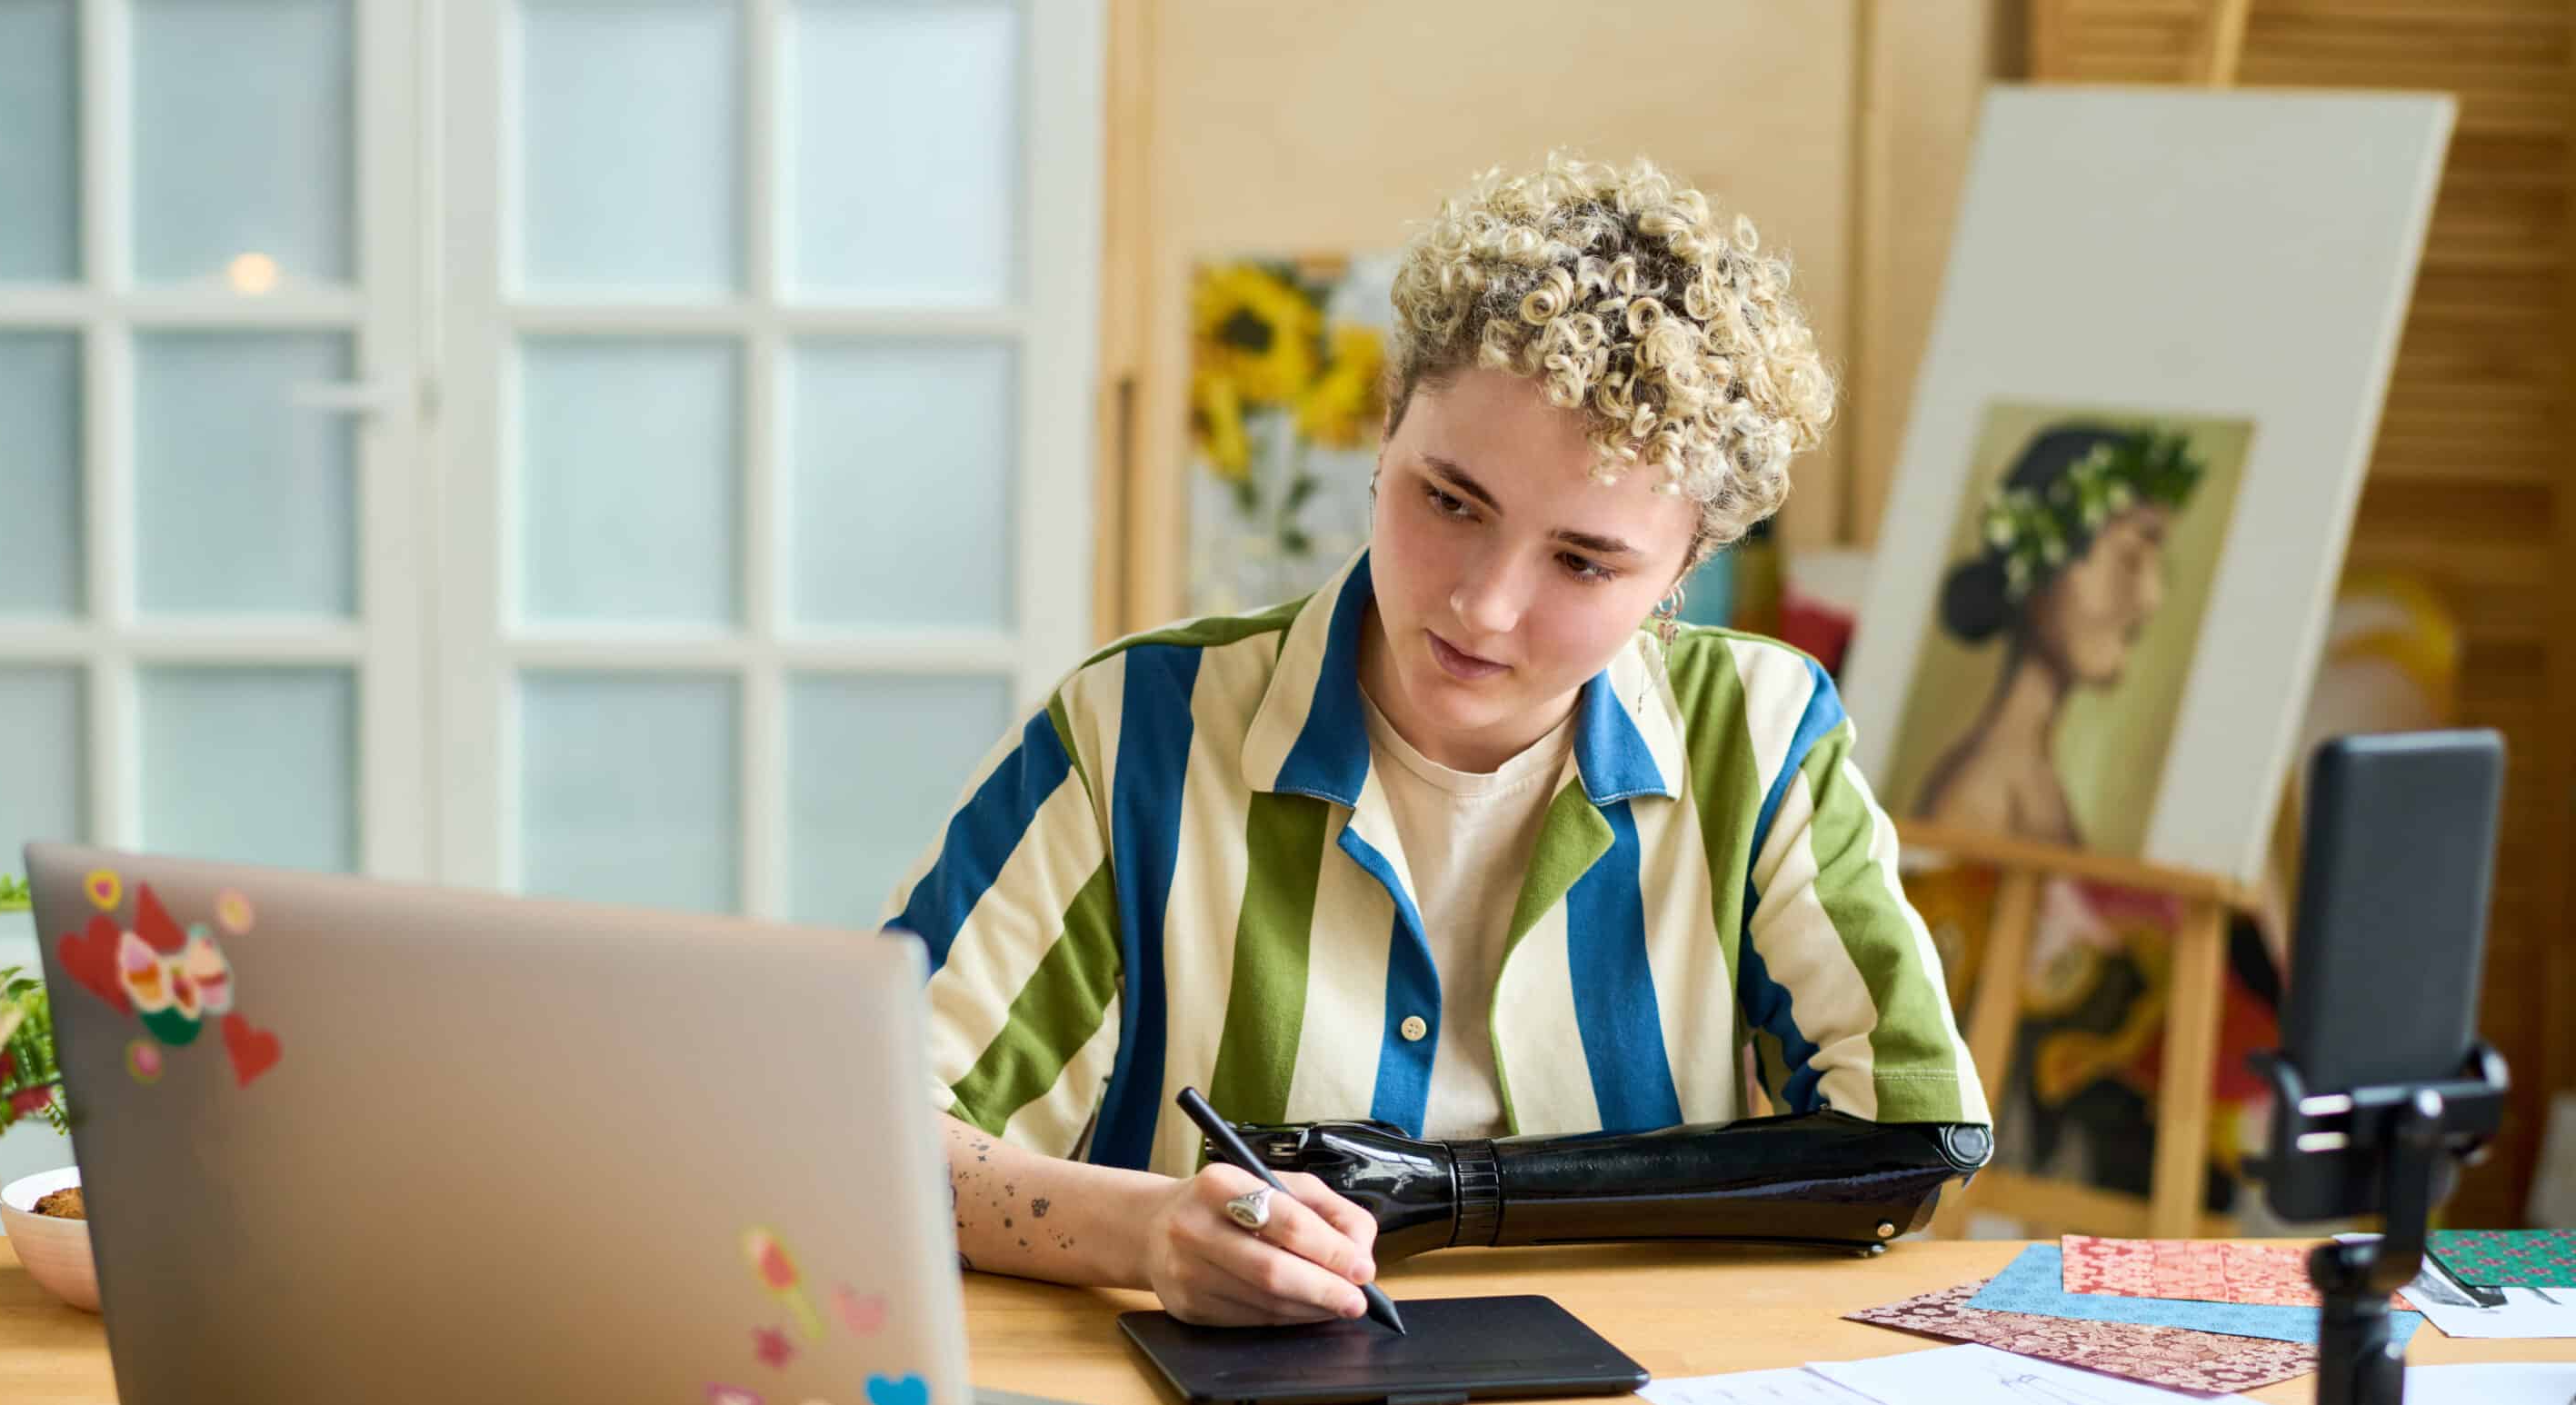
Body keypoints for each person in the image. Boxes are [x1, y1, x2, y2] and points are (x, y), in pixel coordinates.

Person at [883, 154, 1985, 1325]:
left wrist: (1464, 1196)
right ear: (1386, 431)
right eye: (1449, 502)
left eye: (1582, 560)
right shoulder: (1135, 734)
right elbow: (870, 1134)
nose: (1482, 607)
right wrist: (1147, 1230)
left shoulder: (1759, 740)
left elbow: (1916, 1140)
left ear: (1683, 572)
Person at [1912, 422, 2206, 845]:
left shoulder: (2033, 776)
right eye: (2127, 557)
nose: (2151, 597)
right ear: (2039, 566)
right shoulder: (1980, 797)